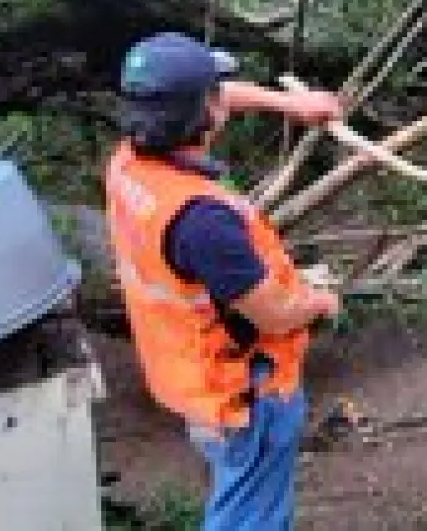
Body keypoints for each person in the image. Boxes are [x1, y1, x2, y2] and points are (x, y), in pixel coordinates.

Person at [103, 31, 344, 530]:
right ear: (203, 115)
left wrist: (295, 106)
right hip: (242, 391)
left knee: (239, 490)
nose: (225, 96)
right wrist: (319, 302)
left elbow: (215, 98)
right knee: (249, 516)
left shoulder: (129, 164)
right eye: (215, 92)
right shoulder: (204, 223)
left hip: (191, 375)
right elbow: (273, 316)